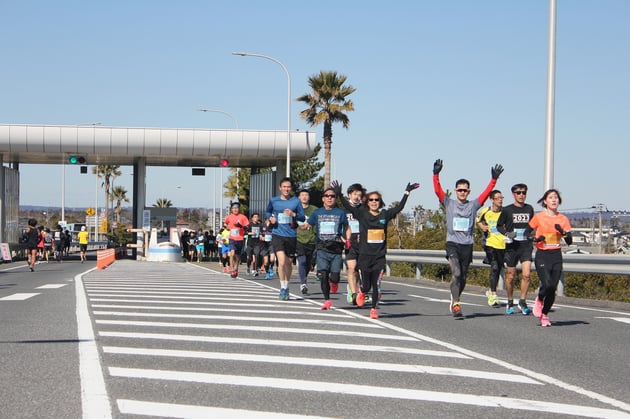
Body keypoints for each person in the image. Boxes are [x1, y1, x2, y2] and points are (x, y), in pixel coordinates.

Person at [333, 180, 419, 319]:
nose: (374, 202)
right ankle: (361, 291)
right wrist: (339, 194)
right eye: (371, 200)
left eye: (377, 200)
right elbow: (346, 206)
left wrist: (407, 192)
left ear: (380, 202)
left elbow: (399, 208)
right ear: (367, 202)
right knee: (366, 285)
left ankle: (373, 309)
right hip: (365, 255)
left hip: (379, 256)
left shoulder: (384, 215)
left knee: (377, 285)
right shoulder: (362, 214)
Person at [432, 159, 503, 318]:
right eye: (459, 190)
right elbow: (438, 191)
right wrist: (436, 174)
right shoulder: (449, 203)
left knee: (463, 277)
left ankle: (455, 297)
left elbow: (485, 195)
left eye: (465, 190)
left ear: (469, 191)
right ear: (456, 191)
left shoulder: (473, 205)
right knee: (456, 272)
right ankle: (456, 303)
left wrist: (493, 180)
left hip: (467, 245)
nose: (462, 192)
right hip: (452, 243)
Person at [528, 189, 572, 327]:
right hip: (542, 254)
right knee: (546, 284)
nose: (554, 200)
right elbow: (526, 232)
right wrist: (536, 238)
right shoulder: (539, 217)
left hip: (556, 254)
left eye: (556, 197)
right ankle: (540, 299)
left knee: (552, 286)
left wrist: (562, 232)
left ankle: (545, 314)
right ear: (545, 201)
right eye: (551, 197)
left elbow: (569, 241)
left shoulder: (563, 219)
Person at [303, 187, 348, 309]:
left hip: (336, 249)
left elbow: (347, 228)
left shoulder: (340, 213)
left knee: (334, 276)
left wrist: (347, 239)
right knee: (323, 275)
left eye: (332, 196)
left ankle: (334, 282)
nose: (329, 198)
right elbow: (308, 224)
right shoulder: (317, 213)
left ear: (335, 199)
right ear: (323, 198)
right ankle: (327, 300)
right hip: (322, 248)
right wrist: (298, 225)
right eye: (327, 196)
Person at [265, 177, 306, 300]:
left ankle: (286, 286)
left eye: (288, 187)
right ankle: (282, 288)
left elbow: (302, 218)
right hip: (278, 234)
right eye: (284, 187)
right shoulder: (274, 200)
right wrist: (270, 219)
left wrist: (293, 214)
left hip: (291, 235)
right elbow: (268, 212)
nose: (286, 189)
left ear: (291, 188)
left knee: (288, 263)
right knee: (281, 262)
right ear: (280, 188)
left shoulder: (296, 201)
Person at [497, 183, 535, 315]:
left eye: (524, 193)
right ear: (513, 194)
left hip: (525, 246)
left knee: (526, 274)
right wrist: (507, 234)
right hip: (512, 246)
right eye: (518, 193)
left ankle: (523, 300)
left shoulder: (529, 208)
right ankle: (510, 300)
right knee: (511, 276)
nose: (521, 195)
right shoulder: (507, 210)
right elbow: (499, 226)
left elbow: (532, 225)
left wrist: (531, 234)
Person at [476, 190, 505, 307]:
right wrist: (482, 226)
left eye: (501, 198)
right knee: (495, 266)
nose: (500, 200)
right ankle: (493, 294)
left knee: (499, 268)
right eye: (498, 198)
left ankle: (491, 290)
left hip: (503, 244)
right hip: (489, 243)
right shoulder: (485, 211)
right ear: (492, 200)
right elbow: (477, 220)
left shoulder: (505, 212)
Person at [342, 183, 365, 305]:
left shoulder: (364, 208)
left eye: (359, 195)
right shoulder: (343, 209)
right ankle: (353, 292)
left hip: (362, 243)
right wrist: (342, 238)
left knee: (359, 270)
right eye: (354, 194)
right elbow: (339, 225)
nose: (356, 197)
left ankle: (355, 286)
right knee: (351, 268)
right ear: (349, 194)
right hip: (349, 242)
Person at [296, 189, 318, 295]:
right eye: (302, 195)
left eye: (306, 195)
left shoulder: (314, 210)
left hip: (312, 240)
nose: (304, 197)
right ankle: (303, 283)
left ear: (309, 197)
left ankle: (304, 278)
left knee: (308, 263)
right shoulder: (295, 209)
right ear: (299, 197)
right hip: (298, 239)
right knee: (302, 260)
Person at [224, 202, 250, 278]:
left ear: (239, 209)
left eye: (237, 208)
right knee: (232, 253)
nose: (235, 209)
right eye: (234, 208)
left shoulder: (243, 217)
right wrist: (226, 227)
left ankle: (236, 267)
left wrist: (241, 226)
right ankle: (232, 269)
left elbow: (247, 227)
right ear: (231, 209)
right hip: (232, 238)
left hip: (240, 238)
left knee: (238, 256)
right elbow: (225, 224)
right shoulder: (229, 217)